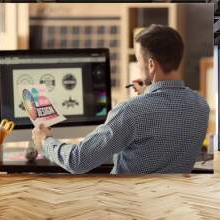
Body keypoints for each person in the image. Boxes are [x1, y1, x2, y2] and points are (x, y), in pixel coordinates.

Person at [32, 24, 209, 174]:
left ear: (151, 64)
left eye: (138, 59)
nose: (138, 65)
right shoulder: (201, 106)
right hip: (173, 204)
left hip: (129, 205)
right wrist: (148, 94)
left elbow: (78, 161)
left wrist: (45, 142)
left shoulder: (130, 112)